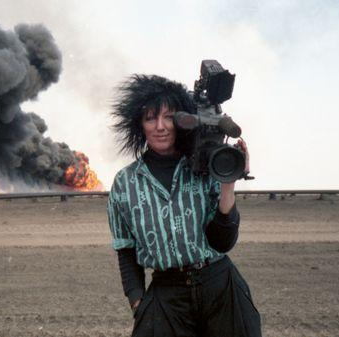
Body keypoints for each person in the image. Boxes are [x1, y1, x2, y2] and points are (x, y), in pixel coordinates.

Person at [108, 74, 261, 337]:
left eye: (168, 117)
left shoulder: (204, 166)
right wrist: (138, 302)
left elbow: (223, 242)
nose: (160, 126)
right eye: (150, 118)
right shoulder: (125, 183)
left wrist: (228, 183)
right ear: (139, 125)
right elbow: (126, 251)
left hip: (220, 287)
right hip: (166, 295)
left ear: (181, 121)